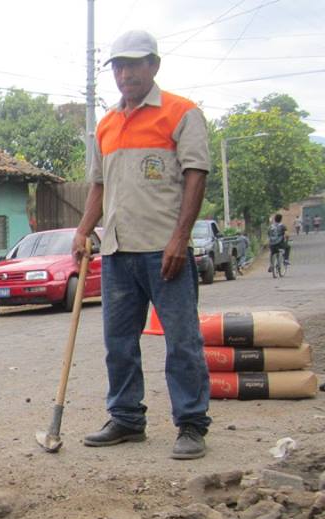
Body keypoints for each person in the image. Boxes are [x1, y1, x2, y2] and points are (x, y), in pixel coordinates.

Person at [72, 29, 212, 460]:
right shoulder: (107, 124)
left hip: (163, 248)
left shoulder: (181, 113)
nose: (125, 73)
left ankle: (191, 423)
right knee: (118, 342)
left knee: (182, 339)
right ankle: (127, 418)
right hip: (117, 250)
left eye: (134, 64)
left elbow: (196, 175)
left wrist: (179, 237)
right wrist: (82, 230)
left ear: (154, 65)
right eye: (118, 66)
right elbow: (98, 184)